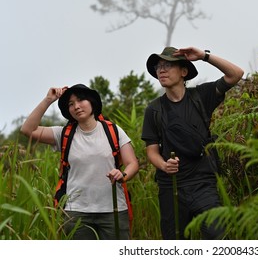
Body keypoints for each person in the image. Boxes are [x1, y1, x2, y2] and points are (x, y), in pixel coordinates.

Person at [141, 46, 244, 239]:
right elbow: (152, 150)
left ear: (184, 71)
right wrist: (164, 165)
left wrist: (204, 56)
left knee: (218, 237)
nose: (161, 70)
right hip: (170, 187)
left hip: (203, 184)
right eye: (158, 66)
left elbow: (236, 74)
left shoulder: (201, 97)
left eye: (167, 65)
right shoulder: (154, 110)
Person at [20, 84, 139, 240]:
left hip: (114, 210)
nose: (76, 106)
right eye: (70, 104)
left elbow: (133, 164)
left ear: (92, 102)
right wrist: (49, 100)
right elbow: (27, 130)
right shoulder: (63, 134)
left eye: (81, 100)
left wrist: (122, 174)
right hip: (76, 212)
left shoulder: (113, 131)